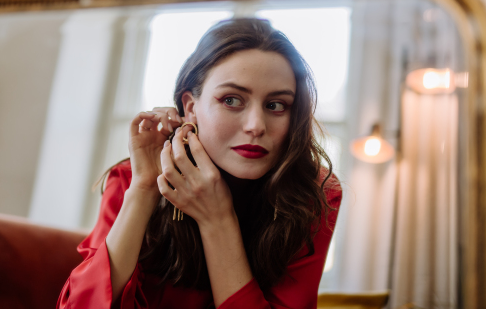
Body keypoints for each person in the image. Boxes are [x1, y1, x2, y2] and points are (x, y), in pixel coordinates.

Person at [57, 18, 342, 309]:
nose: (256, 126)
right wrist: (144, 189)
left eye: (276, 105)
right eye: (231, 100)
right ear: (191, 108)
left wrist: (217, 219)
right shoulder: (135, 178)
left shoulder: (313, 195)